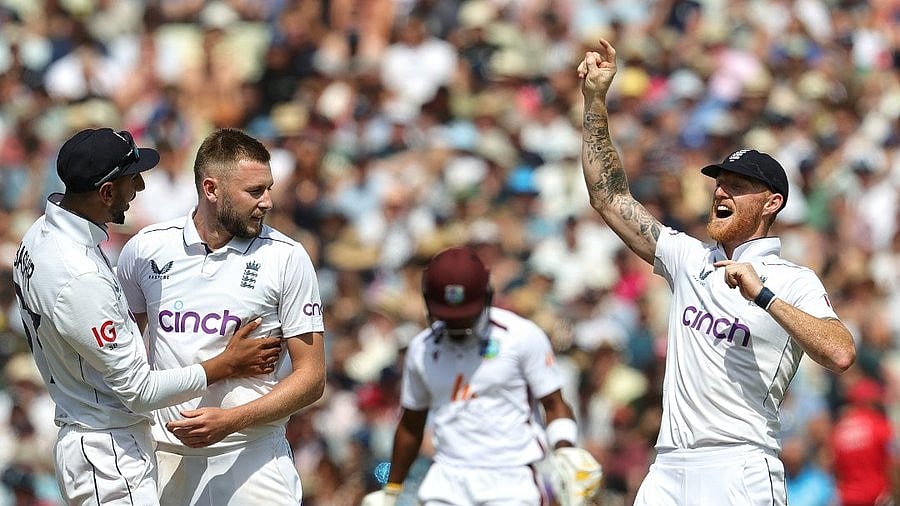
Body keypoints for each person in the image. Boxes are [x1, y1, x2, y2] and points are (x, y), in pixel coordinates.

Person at [577, 40, 856, 505]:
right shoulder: (689, 257)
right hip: (668, 466)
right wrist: (595, 100)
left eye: (738, 186)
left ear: (772, 203)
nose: (721, 192)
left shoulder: (793, 280)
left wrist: (763, 296)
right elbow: (609, 198)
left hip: (740, 466)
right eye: (720, 183)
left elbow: (841, 352)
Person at [10, 127, 281, 505]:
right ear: (106, 192)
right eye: (131, 179)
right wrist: (226, 364)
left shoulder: (40, 233)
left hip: (91, 437)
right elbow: (139, 392)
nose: (139, 187)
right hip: (108, 453)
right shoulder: (79, 275)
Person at [115, 128, 326, 505]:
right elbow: (120, 359)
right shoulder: (146, 249)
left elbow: (311, 378)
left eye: (269, 188)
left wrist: (232, 420)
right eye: (255, 191)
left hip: (252, 456)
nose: (268, 202)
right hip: (165, 458)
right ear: (211, 189)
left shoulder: (287, 257)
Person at [362, 246, 601, 505]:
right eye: (448, 317)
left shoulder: (521, 337)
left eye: (464, 317)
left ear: (486, 297)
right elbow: (411, 423)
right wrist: (392, 489)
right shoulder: (422, 349)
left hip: (511, 480)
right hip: (446, 480)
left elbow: (554, 404)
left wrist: (565, 450)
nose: (457, 326)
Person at [831, 377, 894, 506]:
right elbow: (893, 461)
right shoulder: (880, 426)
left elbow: (834, 465)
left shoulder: (839, 429)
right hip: (878, 497)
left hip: (848, 498)